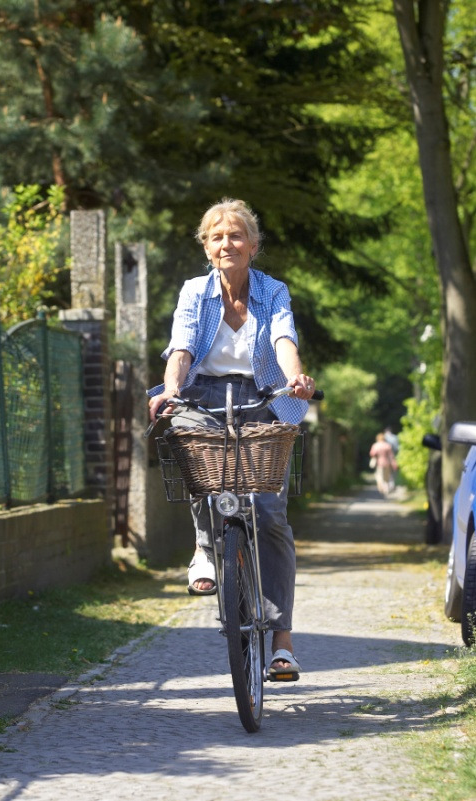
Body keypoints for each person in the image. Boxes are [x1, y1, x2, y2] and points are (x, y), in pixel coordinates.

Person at [148, 198, 316, 682]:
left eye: (236, 235)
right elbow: (181, 347)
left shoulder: (272, 291)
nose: (227, 244)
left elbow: (284, 339)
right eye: (217, 237)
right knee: (194, 449)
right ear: (206, 246)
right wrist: (173, 390)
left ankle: (282, 642)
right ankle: (203, 544)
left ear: (254, 246)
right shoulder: (193, 292)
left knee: (269, 514)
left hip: (263, 396)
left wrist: (297, 378)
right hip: (203, 394)